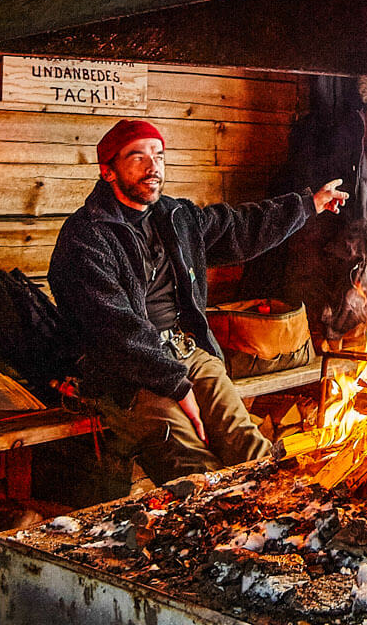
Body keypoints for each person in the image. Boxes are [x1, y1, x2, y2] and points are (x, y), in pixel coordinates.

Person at [49, 118, 349, 485]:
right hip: (120, 373)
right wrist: (176, 386)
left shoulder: (175, 218)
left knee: (248, 446)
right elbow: (114, 329)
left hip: (184, 350)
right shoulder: (86, 238)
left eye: (158, 156)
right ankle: (210, 534)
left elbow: (240, 227)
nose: (152, 166)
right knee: (190, 460)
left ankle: (285, 519)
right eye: (137, 157)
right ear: (108, 171)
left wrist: (307, 205)